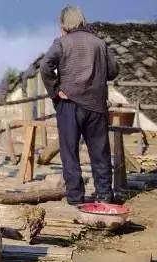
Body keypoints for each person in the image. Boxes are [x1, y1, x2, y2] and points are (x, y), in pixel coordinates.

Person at [40, 5, 119, 205]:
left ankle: (75, 198)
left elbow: (45, 67)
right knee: (100, 153)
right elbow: (113, 70)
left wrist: (56, 90)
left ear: (64, 23)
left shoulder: (61, 43)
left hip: (69, 104)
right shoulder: (100, 43)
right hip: (96, 105)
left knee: (70, 153)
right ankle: (104, 196)